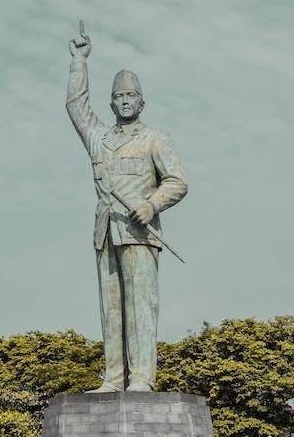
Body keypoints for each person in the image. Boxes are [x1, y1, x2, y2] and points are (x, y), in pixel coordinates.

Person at [65, 27, 188, 392]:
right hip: (106, 232)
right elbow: (75, 106)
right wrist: (78, 61)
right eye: (118, 96)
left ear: (142, 102)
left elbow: (178, 181)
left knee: (140, 310)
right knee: (111, 310)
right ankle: (113, 378)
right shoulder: (99, 139)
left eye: (131, 95)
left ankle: (141, 380)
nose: (124, 101)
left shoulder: (154, 138)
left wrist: (151, 205)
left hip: (138, 234)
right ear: (111, 102)